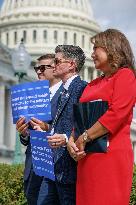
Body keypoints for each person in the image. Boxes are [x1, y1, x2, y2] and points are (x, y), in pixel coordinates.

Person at [67, 29, 136, 205]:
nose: (92, 53)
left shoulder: (125, 76)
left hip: (110, 158)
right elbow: (81, 117)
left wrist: (85, 136)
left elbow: (117, 113)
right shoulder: (92, 84)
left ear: (111, 48)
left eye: (96, 47)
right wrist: (72, 142)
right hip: (87, 159)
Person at [37, 45, 87, 205]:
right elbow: (58, 124)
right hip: (53, 167)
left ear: (71, 64)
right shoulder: (63, 91)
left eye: (57, 61)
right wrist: (46, 129)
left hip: (68, 169)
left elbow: (85, 124)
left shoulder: (82, 88)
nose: (53, 65)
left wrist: (66, 138)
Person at [16, 54, 62, 205]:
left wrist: (47, 127)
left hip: (54, 166)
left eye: (43, 68)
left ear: (55, 69)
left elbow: (69, 128)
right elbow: (26, 139)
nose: (38, 72)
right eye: (37, 68)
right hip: (32, 167)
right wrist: (24, 133)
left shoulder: (65, 94)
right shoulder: (33, 96)